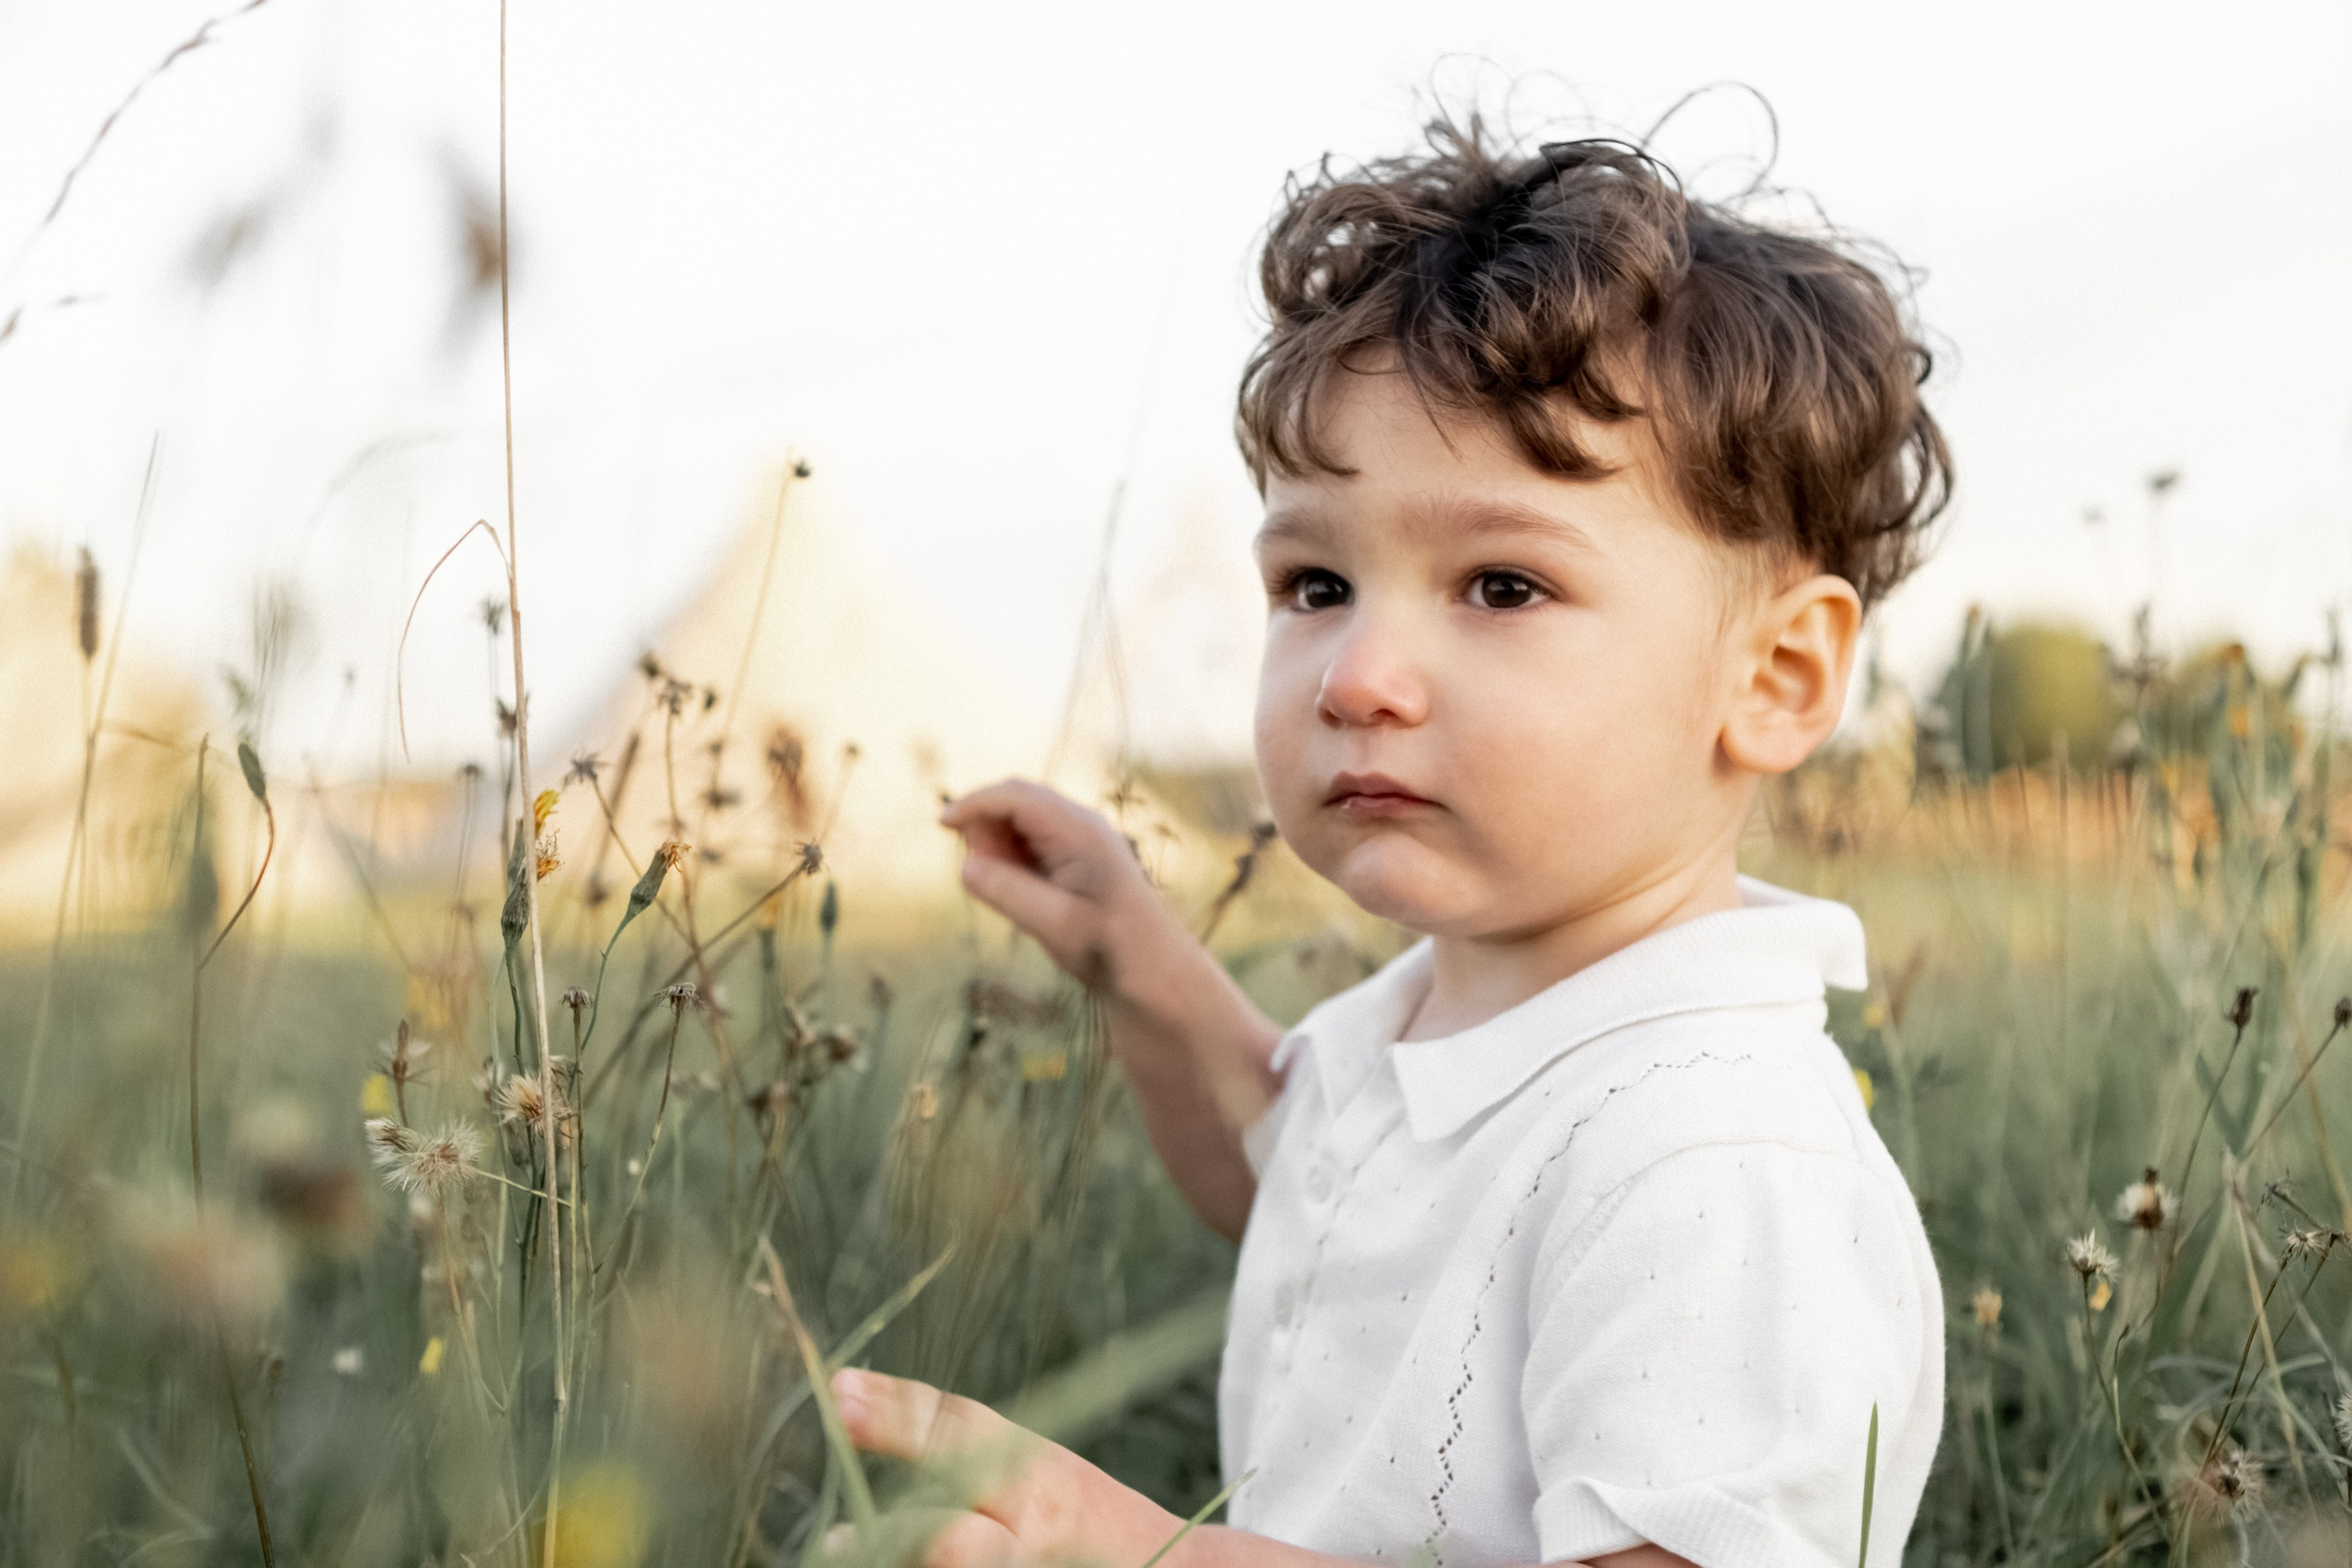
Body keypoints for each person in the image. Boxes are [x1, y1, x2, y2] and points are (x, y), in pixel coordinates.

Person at [826, 114, 1952, 1568]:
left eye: (1500, 586)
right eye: (1316, 584)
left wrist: (1146, 1553)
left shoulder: (1709, 1154)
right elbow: (1307, 1200)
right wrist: (1143, 970)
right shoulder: (1465, 1008)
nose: (1358, 676)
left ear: (1775, 679)